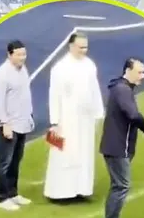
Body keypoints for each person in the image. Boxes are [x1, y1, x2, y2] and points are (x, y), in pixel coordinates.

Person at [98, 58, 144, 218]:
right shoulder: (123, 90)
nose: (143, 76)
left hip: (117, 146)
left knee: (119, 185)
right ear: (128, 71)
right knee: (121, 185)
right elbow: (133, 115)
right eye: (139, 72)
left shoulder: (122, 88)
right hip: (117, 147)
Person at [43, 32, 105, 203]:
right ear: (71, 46)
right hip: (66, 119)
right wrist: (54, 121)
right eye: (80, 47)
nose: (83, 50)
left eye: (86, 47)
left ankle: (81, 189)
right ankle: (60, 192)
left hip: (85, 119)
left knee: (84, 153)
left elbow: (94, 89)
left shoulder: (90, 65)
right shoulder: (60, 68)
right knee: (65, 152)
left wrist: (99, 112)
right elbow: (54, 96)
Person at [0, 40, 34, 211]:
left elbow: (24, 95)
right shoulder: (1, 75)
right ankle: (0, 198)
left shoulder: (23, 70)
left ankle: (13, 193)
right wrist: (4, 123)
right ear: (10, 54)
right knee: (4, 162)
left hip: (22, 122)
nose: (23, 58)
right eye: (19, 55)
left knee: (16, 160)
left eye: (24, 54)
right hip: (8, 125)